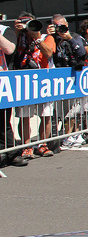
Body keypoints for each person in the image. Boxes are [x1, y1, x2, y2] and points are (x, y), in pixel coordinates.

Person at [13, 12, 56, 159]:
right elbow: (11, 53)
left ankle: (42, 145)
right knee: (25, 115)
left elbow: (49, 53)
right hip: (24, 81)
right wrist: (18, 32)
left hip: (44, 81)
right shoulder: (19, 38)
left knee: (46, 114)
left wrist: (37, 39)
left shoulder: (46, 38)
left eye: (31, 23)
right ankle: (26, 146)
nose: (29, 27)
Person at [0, 23, 26, 167]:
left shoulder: (5, 30)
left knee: (3, 122)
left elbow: (9, 49)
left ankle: (12, 154)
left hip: (3, 83)